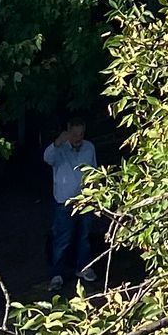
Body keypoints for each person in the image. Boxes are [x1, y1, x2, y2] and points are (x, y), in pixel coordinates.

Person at [43, 115, 98, 290]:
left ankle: (84, 268)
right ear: (68, 132)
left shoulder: (89, 147)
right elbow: (47, 158)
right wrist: (59, 141)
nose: (77, 138)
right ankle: (57, 274)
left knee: (84, 236)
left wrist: (96, 195)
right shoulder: (59, 149)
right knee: (62, 238)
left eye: (80, 134)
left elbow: (94, 171)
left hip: (85, 200)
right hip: (64, 202)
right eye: (74, 134)